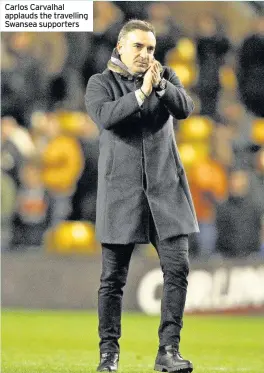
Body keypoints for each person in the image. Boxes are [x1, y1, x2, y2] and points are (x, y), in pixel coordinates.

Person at [85, 20, 199, 373]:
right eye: (139, 47)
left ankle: (168, 351)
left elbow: (186, 108)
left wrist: (160, 86)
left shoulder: (165, 78)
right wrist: (139, 95)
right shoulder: (100, 83)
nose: (146, 55)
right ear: (121, 47)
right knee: (113, 279)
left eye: (151, 48)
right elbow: (107, 116)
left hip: (166, 193)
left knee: (178, 269)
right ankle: (109, 354)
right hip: (122, 194)